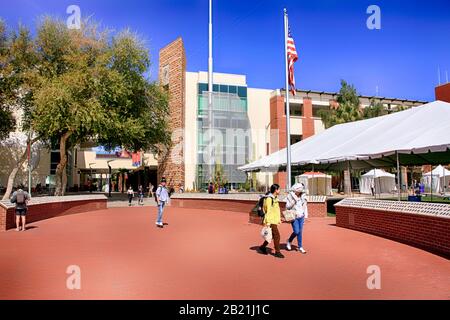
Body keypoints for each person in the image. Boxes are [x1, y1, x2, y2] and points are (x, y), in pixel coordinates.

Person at [258, 184, 284, 259]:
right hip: (270, 220)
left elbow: (276, 210)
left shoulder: (275, 198)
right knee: (277, 235)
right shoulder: (269, 199)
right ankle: (277, 252)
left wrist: (279, 219)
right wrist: (268, 222)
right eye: (279, 189)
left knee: (271, 235)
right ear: (276, 190)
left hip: (274, 220)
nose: (280, 191)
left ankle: (262, 247)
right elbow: (268, 211)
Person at [285, 183, 308, 254]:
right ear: (295, 189)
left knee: (300, 232)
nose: (299, 191)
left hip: (301, 216)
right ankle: (289, 240)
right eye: (298, 190)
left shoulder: (303, 196)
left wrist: (305, 215)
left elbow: (305, 206)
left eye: (301, 190)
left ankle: (300, 247)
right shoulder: (290, 196)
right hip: (293, 216)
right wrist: (293, 202)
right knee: (296, 231)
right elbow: (287, 206)